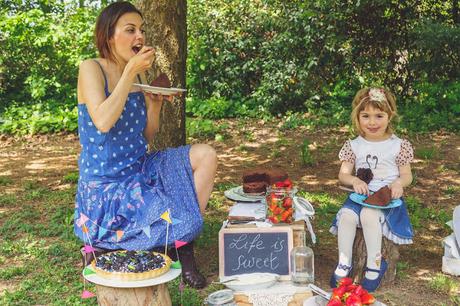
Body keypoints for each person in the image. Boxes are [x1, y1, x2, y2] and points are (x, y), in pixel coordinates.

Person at [73, 1, 217, 289]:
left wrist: (154, 103)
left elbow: (146, 135)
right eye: (130, 30)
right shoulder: (91, 68)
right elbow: (102, 121)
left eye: (141, 30)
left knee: (206, 155)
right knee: (174, 212)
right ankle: (170, 243)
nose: (139, 36)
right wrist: (128, 74)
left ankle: (179, 244)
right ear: (108, 35)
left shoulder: (138, 74)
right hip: (107, 185)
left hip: (140, 167)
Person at [329, 87, 414, 292]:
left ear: (389, 115)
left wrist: (397, 184)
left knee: (368, 215)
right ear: (357, 117)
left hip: (386, 197)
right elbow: (343, 174)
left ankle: (375, 264)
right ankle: (344, 262)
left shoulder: (398, 145)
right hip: (360, 195)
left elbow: (406, 176)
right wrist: (354, 180)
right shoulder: (354, 145)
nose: (372, 122)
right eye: (365, 116)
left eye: (379, 116)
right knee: (347, 216)